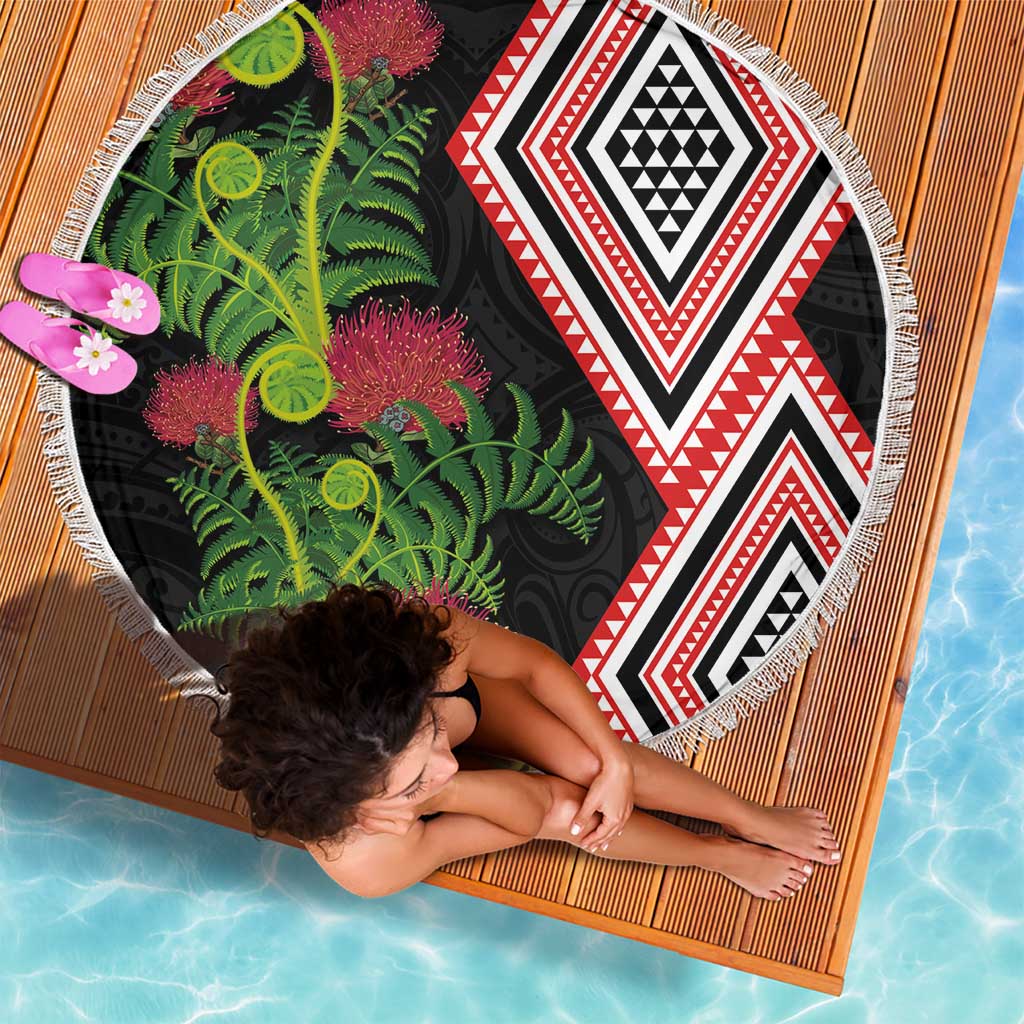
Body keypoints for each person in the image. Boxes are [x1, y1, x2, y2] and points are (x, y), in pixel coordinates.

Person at [205, 580, 842, 900]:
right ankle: (718, 856)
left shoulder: (431, 659)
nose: (445, 760)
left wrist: (615, 764)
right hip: (452, 808)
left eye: (429, 735)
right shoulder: (369, 860)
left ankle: (747, 814)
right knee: (572, 813)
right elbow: (536, 814)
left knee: (589, 761)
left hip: (478, 707)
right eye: (415, 776)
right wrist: (439, 797)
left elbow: (536, 666)